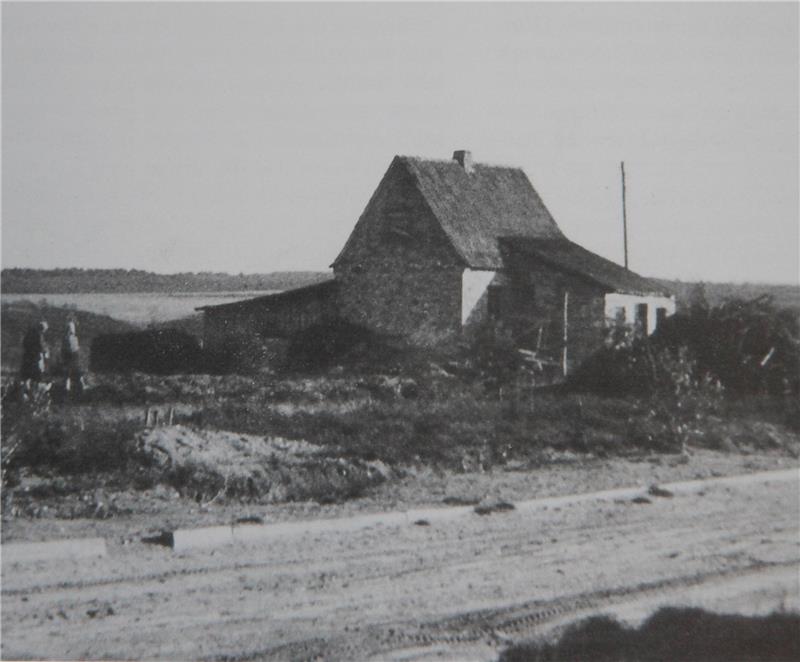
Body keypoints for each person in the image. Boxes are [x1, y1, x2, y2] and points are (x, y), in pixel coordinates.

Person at [20, 320, 50, 385]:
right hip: (35, 357)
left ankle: (26, 386)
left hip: (27, 356)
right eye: (45, 330)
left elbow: (24, 343)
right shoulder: (39, 335)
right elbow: (41, 346)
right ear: (43, 329)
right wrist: (46, 351)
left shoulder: (30, 333)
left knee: (26, 375)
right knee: (37, 374)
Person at [62, 319, 85, 396]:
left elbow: (63, 350)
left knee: (67, 376)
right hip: (74, 359)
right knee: (78, 375)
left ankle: (66, 391)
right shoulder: (75, 338)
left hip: (67, 359)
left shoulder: (65, 339)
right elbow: (76, 350)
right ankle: (83, 389)